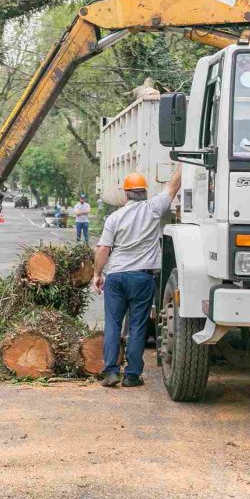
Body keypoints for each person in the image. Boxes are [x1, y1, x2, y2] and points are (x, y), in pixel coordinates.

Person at [92, 166, 182, 388]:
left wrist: (97, 274)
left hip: (116, 277)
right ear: (145, 192)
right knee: (137, 326)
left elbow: (103, 248)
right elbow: (173, 185)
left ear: (125, 194)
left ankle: (111, 372)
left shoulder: (114, 217)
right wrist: (182, 161)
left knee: (112, 324)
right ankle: (132, 375)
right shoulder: (153, 208)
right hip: (142, 278)